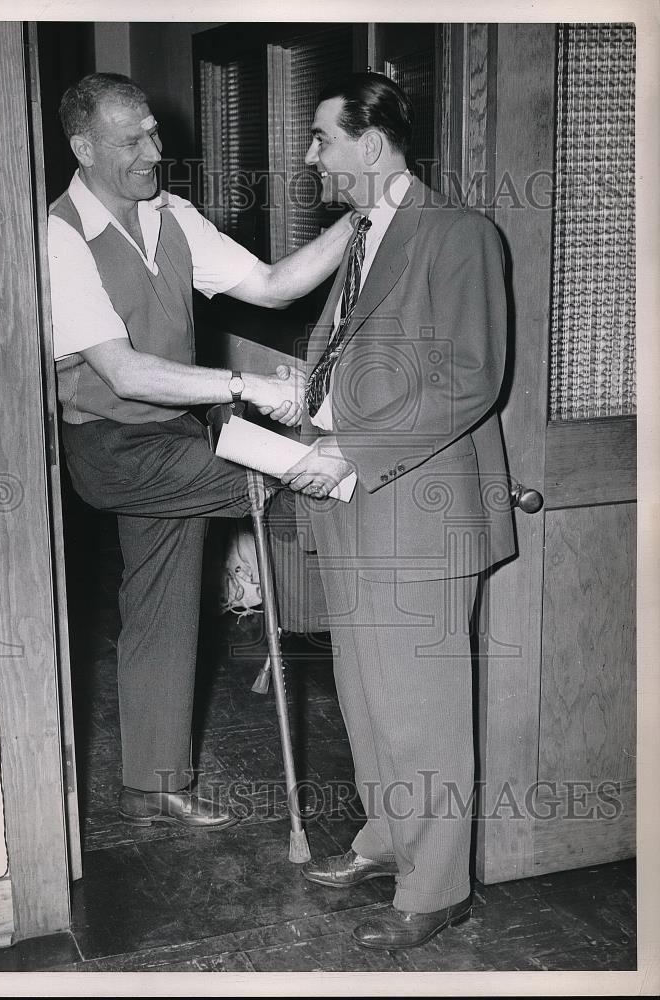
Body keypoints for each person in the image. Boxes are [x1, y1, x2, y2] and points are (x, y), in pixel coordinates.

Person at [47, 73, 353, 832]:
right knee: (304, 477)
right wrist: (246, 387)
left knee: (162, 605)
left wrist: (364, 217)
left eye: (155, 131)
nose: (156, 150)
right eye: (133, 140)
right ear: (83, 149)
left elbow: (276, 285)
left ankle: (153, 781)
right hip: (111, 446)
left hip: (174, 437)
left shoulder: (172, 217)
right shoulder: (58, 237)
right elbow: (122, 371)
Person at [280, 73, 516, 948]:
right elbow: (359, 361)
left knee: (422, 708)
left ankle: (439, 885)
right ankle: (387, 840)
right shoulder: (360, 238)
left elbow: (468, 379)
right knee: (366, 695)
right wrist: (303, 410)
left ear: (370, 146)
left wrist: (353, 446)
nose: (310, 157)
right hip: (350, 502)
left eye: (321, 140)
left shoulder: (459, 236)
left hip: (417, 509)